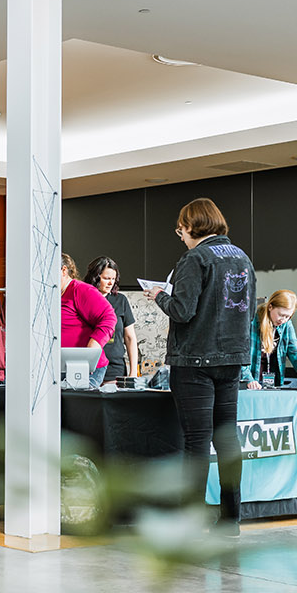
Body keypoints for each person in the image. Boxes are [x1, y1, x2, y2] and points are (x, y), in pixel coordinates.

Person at [142, 198, 255, 535]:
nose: (180, 236)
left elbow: (182, 310)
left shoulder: (195, 258)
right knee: (227, 439)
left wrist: (159, 296)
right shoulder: (242, 258)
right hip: (232, 359)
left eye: (181, 229)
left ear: (193, 226)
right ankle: (231, 519)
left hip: (195, 361)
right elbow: (247, 312)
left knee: (196, 441)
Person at [59, 253, 116, 389]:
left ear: (64, 270)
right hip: (60, 366)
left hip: (85, 368)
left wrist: (90, 352)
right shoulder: (53, 294)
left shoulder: (80, 290)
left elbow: (109, 318)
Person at [84, 256, 137, 384]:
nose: (110, 283)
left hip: (115, 369)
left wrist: (133, 372)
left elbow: (130, 338)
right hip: (87, 368)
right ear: (95, 278)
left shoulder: (121, 300)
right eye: (106, 278)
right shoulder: (83, 298)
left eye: (113, 279)